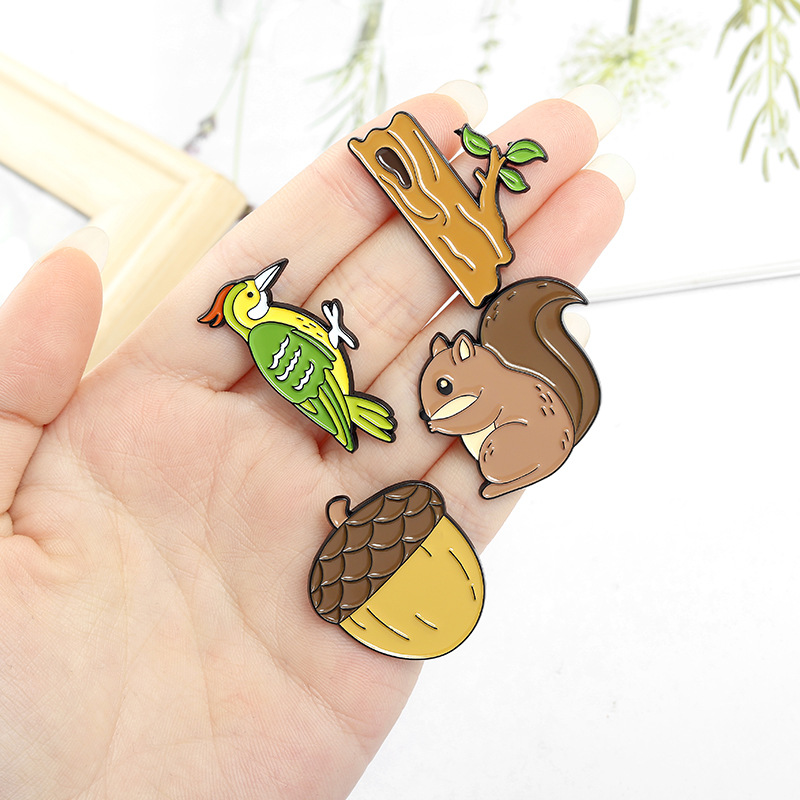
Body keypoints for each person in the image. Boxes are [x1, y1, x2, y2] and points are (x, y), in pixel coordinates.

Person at [0, 81, 632, 798]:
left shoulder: (285, 329)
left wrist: (336, 350)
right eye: (254, 295)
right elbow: (313, 379)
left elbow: (324, 364)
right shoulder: (268, 340)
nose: (264, 292)